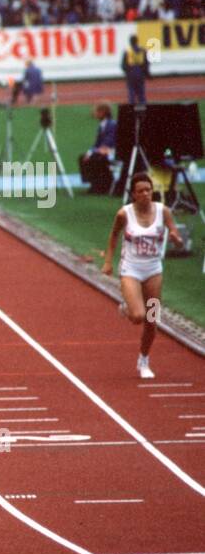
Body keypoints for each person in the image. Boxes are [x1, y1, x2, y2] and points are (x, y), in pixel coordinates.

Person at [101, 172, 184, 379]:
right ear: (134, 194)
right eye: (141, 191)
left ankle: (144, 359)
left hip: (154, 269)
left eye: (149, 190)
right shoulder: (124, 214)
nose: (146, 194)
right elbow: (113, 236)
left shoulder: (163, 211)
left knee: (152, 320)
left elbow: (174, 231)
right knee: (138, 316)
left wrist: (176, 238)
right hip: (131, 269)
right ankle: (127, 306)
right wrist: (108, 262)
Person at [79, 102, 118, 195]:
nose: (94, 113)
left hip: (111, 151)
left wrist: (93, 152)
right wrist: (90, 152)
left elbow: (107, 143)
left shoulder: (112, 125)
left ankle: (102, 185)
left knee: (97, 158)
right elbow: (97, 144)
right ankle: (94, 183)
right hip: (103, 150)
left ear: (103, 112)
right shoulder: (102, 125)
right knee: (83, 157)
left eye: (96, 111)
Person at [121, 36, 150, 105]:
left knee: (131, 94)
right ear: (137, 41)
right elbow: (146, 64)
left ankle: (131, 110)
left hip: (130, 74)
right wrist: (147, 73)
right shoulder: (143, 51)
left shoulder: (127, 52)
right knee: (141, 94)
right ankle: (143, 109)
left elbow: (123, 65)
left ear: (130, 42)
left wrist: (127, 71)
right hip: (140, 74)